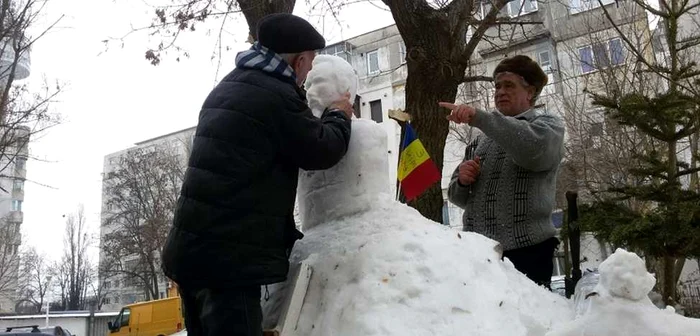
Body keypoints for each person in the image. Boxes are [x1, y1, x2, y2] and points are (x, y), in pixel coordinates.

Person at [161, 13, 354, 336]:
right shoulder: (275, 96)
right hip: (228, 265)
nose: (308, 75)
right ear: (299, 61)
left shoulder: (228, 86)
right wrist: (338, 115)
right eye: (310, 65)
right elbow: (321, 150)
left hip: (191, 255)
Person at [440, 55, 565, 288]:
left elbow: (532, 148)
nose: (500, 92)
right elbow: (457, 197)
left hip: (528, 253)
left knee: (529, 322)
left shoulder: (548, 126)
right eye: (497, 86)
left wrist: (478, 117)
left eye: (509, 85)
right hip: (480, 253)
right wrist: (464, 181)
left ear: (531, 92)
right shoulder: (482, 140)